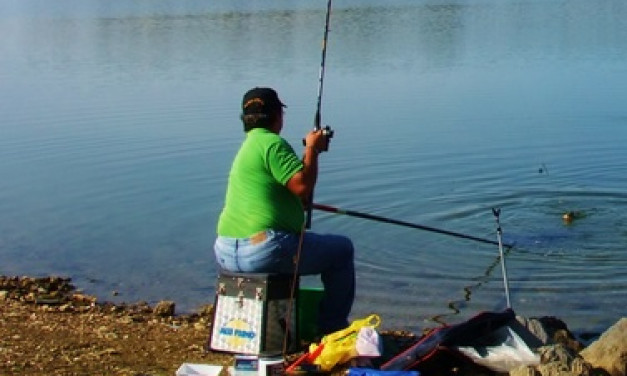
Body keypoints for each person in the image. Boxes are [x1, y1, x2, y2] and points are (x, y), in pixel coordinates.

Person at [214, 87, 355, 335]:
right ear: (278, 114)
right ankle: (332, 328)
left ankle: (279, 325)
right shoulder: (272, 144)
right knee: (342, 251)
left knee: (302, 246)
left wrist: (295, 206)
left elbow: (277, 194)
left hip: (226, 251)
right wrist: (312, 148)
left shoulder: (248, 146)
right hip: (260, 251)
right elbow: (301, 185)